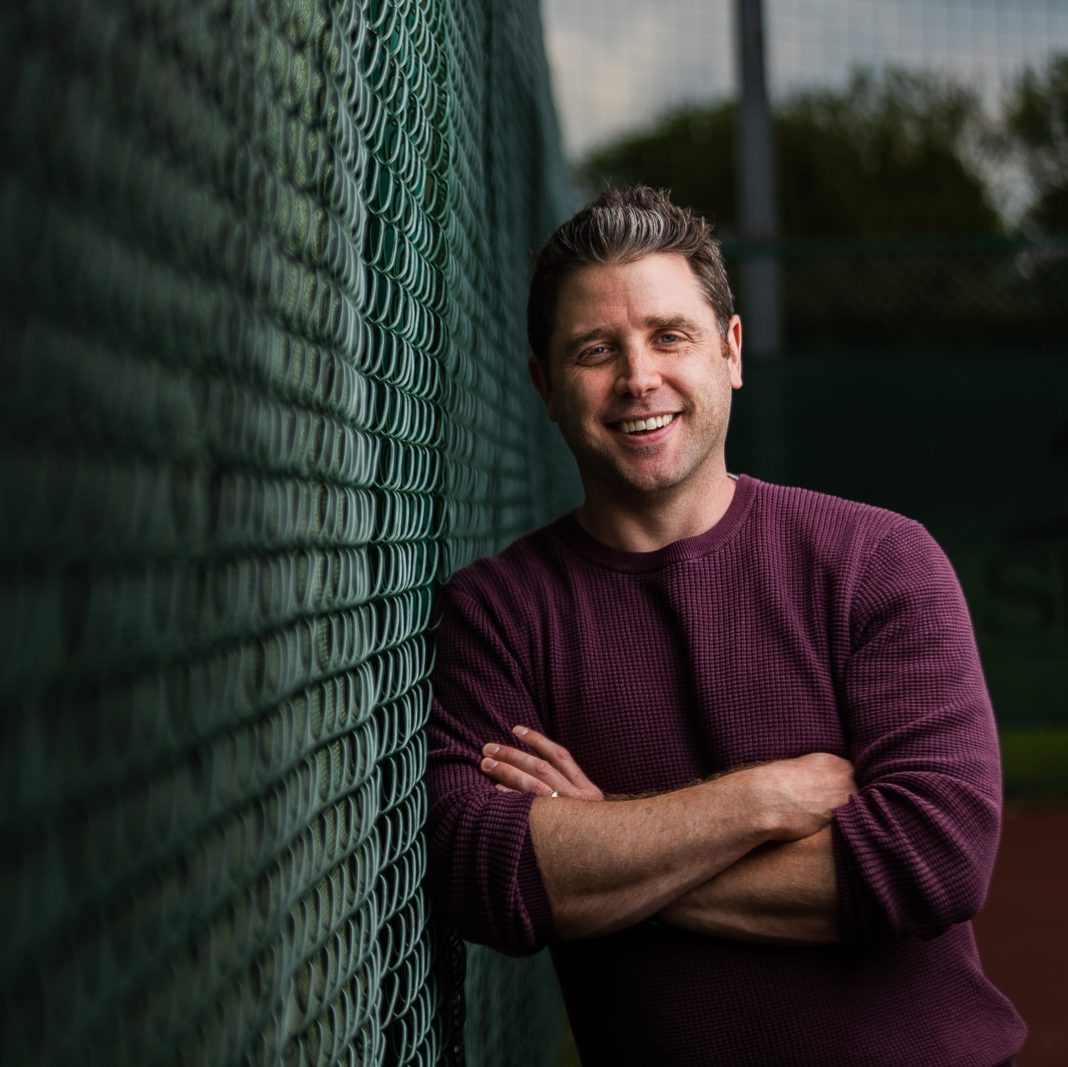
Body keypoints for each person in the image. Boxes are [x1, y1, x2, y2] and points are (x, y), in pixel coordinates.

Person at [425, 185, 1026, 1066]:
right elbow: (480, 869)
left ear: (731, 352)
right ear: (545, 386)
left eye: (670, 336)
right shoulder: (497, 612)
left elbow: (932, 857)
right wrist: (760, 800)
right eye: (597, 349)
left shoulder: (879, 560)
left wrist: (602, 847)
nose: (639, 377)